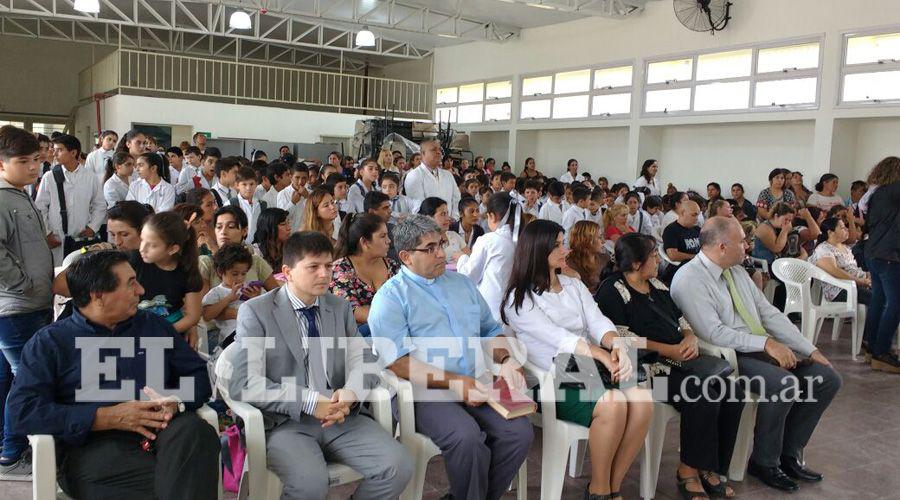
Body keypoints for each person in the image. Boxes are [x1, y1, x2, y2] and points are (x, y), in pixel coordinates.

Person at [6, 250, 219, 498]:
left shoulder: (153, 326)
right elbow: (22, 412)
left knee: (196, 432)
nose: (141, 290)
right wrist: (104, 417)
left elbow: (197, 376)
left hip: (166, 433)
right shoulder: (51, 343)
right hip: (95, 448)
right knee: (186, 482)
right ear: (98, 296)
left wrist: (175, 402)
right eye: (131, 284)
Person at [224, 231, 412, 499]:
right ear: (287, 272)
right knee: (310, 484)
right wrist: (310, 401)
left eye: (328, 266)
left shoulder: (339, 308)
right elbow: (245, 383)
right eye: (313, 267)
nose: (325, 275)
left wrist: (351, 393)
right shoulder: (257, 312)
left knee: (398, 466)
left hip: (340, 416)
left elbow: (365, 359)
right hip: (286, 422)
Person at [671, 216, 841, 493]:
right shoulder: (690, 278)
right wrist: (766, 345)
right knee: (783, 384)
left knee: (826, 378)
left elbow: (768, 313)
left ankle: (789, 452)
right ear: (723, 246)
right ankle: (765, 461)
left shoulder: (736, 272)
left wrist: (809, 348)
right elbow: (713, 334)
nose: (748, 246)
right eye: (742, 242)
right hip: (729, 357)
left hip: (759, 346)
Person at [368, 215, 533, 500]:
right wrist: (455, 382)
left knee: (519, 433)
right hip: (423, 390)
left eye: (441, 244)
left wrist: (506, 361)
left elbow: (491, 330)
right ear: (406, 256)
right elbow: (397, 361)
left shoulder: (462, 284)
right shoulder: (391, 298)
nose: (442, 253)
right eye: (430, 248)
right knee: (467, 438)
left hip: (474, 380)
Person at [501, 220, 649, 500]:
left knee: (642, 402)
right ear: (538, 250)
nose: (565, 249)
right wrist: (602, 354)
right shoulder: (519, 298)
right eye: (557, 245)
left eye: (562, 242)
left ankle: (612, 485)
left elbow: (596, 320)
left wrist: (615, 343)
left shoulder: (572, 284)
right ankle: (599, 490)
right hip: (552, 373)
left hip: (587, 366)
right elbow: (557, 337)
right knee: (614, 404)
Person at [596, 233, 744, 500]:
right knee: (699, 390)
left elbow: (680, 318)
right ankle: (688, 470)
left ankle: (710, 467)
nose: (658, 259)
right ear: (637, 263)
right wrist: (670, 349)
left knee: (733, 392)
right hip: (650, 372)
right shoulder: (612, 290)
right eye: (653, 255)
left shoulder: (657, 285)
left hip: (681, 361)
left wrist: (689, 338)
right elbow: (622, 338)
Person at [0, 125, 54, 478]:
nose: (34, 167)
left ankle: (6, 444)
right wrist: (23, 283)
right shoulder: (4, 199)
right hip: (18, 308)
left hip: (29, 303)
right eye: (23, 161)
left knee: (9, 379)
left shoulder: (20, 194)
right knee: (28, 381)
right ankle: (13, 451)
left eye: (36, 159)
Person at [128, 211, 203, 347]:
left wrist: (161, 333)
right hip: (134, 326)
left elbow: (193, 316)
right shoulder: (133, 260)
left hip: (170, 328)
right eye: (142, 240)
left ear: (172, 249)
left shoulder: (188, 270)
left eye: (152, 245)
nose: (142, 249)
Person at [35, 133, 106, 264]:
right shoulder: (49, 177)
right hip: (56, 237)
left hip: (81, 236)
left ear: (73, 152)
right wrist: (47, 233)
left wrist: (92, 227)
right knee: (56, 270)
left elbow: (100, 205)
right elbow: (40, 207)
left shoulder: (90, 176)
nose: (54, 154)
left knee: (79, 269)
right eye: (54, 149)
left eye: (59, 150)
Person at [861, 157, 900, 373]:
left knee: (879, 299)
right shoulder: (894, 191)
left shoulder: (877, 194)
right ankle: (882, 352)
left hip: (874, 253)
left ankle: (871, 344)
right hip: (889, 255)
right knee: (895, 303)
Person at [330, 213, 400, 330]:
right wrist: (395, 318)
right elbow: (352, 311)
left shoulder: (392, 266)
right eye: (382, 236)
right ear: (365, 242)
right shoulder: (341, 269)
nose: (388, 241)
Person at [456, 192, 519, 321]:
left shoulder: (488, 240)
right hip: (515, 305)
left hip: (492, 307)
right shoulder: (521, 237)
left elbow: (469, 276)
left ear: (492, 216)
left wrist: (462, 258)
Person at [808, 218, 871, 307]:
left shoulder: (846, 248)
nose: (847, 230)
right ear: (830, 232)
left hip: (856, 283)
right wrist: (860, 281)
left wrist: (868, 276)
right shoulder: (823, 249)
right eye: (842, 228)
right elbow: (835, 271)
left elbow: (853, 269)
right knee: (877, 297)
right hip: (840, 289)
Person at [201, 243, 253, 351]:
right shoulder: (217, 292)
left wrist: (254, 297)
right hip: (231, 337)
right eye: (235, 274)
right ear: (221, 272)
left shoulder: (248, 288)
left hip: (252, 332)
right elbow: (207, 315)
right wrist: (228, 298)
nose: (240, 278)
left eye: (243, 274)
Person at [403, 140, 461, 218]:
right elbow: (418, 206)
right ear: (422, 154)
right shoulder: (414, 175)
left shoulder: (448, 174)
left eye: (439, 150)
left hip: (449, 222)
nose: (439, 152)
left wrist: (454, 217)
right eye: (433, 150)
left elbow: (456, 198)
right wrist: (437, 220)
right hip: (427, 225)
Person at [418, 196, 469, 264]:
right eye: (443, 214)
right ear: (428, 218)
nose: (448, 218)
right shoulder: (421, 243)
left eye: (447, 213)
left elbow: (470, 260)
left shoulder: (454, 235)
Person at [563, 220, 608, 293]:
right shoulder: (570, 264)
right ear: (586, 240)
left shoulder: (604, 257)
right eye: (599, 237)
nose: (603, 241)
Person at [230, 166, 264, 243]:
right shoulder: (231, 204)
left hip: (258, 247)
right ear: (237, 185)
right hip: (237, 245)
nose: (248, 188)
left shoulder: (262, 204)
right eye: (244, 184)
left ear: (256, 184)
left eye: (251, 184)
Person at [277, 162, 310, 233]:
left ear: (308, 178)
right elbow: (281, 218)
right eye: (297, 177)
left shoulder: (312, 194)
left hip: (307, 235)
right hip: (289, 235)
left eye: (304, 178)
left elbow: (316, 214)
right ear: (291, 176)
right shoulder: (282, 194)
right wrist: (292, 202)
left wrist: (308, 198)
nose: (300, 182)